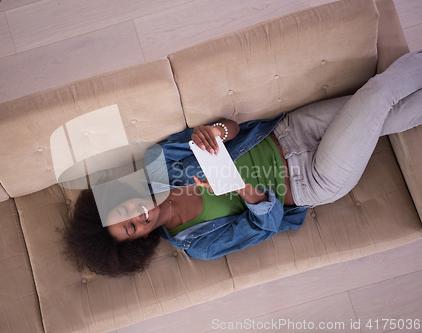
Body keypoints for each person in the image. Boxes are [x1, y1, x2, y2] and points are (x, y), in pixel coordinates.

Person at [63, 50, 422, 277]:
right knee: (377, 95)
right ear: (137, 242)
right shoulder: (198, 244)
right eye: (131, 228)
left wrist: (216, 131)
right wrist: (243, 190)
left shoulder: (158, 163)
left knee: (386, 114)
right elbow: (268, 225)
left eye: (123, 208)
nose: (137, 214)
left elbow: (235, 129)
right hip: (312, 180)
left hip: (289, 131)